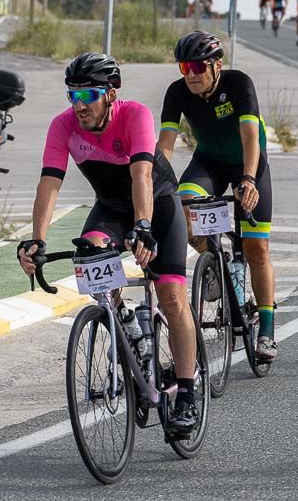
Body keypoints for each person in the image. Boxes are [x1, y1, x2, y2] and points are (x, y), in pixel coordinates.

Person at [18, 52, 200, 436]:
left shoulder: (135, 116)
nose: (79, 106)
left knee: (170, 295)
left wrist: (144, 227)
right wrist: (37, 239)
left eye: (89, 96)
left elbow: (142, 179)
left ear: (111, 94)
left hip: (158, 205)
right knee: (90, 254)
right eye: (73, 96)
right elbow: (49, 184)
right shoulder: (63, 126)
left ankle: (186, 393)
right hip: (110, 209)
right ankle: (128, 323)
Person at [158, 32, 278, 360]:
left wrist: (249, 180)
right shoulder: (177, 91)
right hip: (208, 163)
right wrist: (154, 182)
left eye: (198, 66)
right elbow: (165, 145)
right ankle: (214, 266)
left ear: (216, 65)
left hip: (248, 165)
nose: (191, 74)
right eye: (185, 66)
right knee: (184, 205)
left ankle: (266, 329)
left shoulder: (238, 84)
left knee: (256, 249)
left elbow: (251, 138)